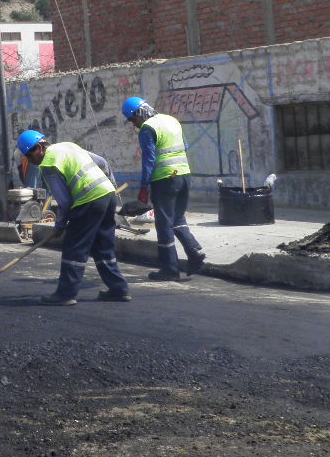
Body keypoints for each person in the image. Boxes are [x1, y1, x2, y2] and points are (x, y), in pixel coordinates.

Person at [16, 130, 131, 306]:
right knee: (102, 245)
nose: (31, 162)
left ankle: (65, 293)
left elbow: (64, 201)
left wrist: (60, 225)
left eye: (29, 157)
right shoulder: (67, 146)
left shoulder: (48, 164)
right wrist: (110, 186)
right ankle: (119, 289)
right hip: (107, 196)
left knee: (74, 247)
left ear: (39, 148)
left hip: (88, 200)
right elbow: (103, 163)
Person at [122, 96, 205, 279]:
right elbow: (185, 145)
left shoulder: (147, 128)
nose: (134, 125)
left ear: (139, 113)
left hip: (164, 179)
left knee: (163, 224)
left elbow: (149, 160)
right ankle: (194, 251)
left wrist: (143, 189)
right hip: (184, 175)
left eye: (133, 119)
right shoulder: (172, 120)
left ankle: (170, 269)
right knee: (178, 218)